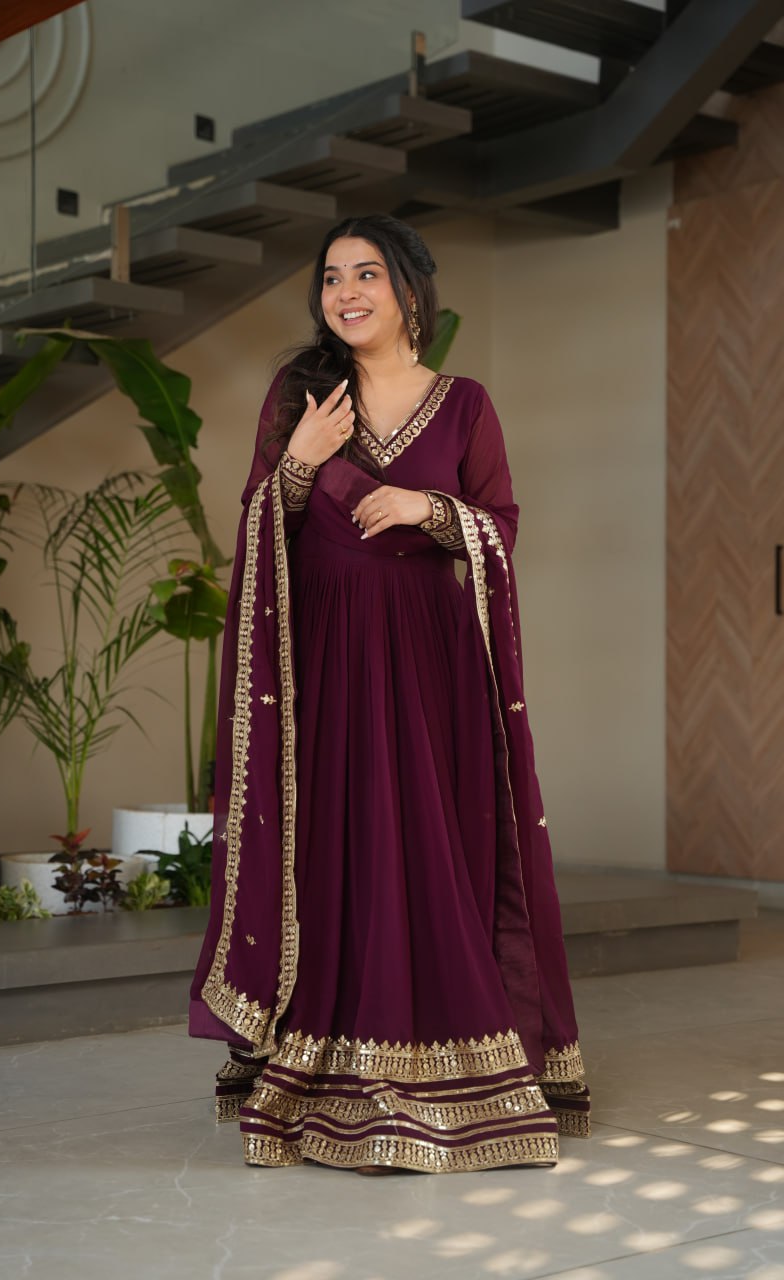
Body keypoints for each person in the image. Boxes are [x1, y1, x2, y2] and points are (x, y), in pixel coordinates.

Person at [189, 213, 590, 1174]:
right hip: (324, 654)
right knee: (334, 839)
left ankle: (451, 1061)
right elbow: (261, 525)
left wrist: (427, 507)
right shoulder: (302, 393)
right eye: (331, 278)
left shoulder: (464, 405)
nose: (345, 293)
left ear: (410, 291)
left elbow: (500, 526)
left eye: (366, 274)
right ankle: (320, 1063)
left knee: (428, 836)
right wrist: (299, 460)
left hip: (428, 657)